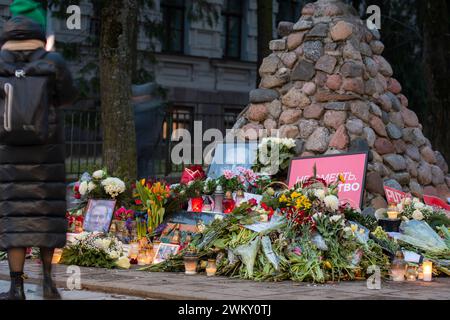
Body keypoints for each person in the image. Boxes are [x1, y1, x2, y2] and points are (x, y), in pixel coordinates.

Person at [0, 0, 77, 300]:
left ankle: (15, 288)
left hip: (8, 154)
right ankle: (48, 282)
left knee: (14, 218)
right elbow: (69, 96)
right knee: (46, 217)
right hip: (47, 154)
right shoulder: (52, 61)